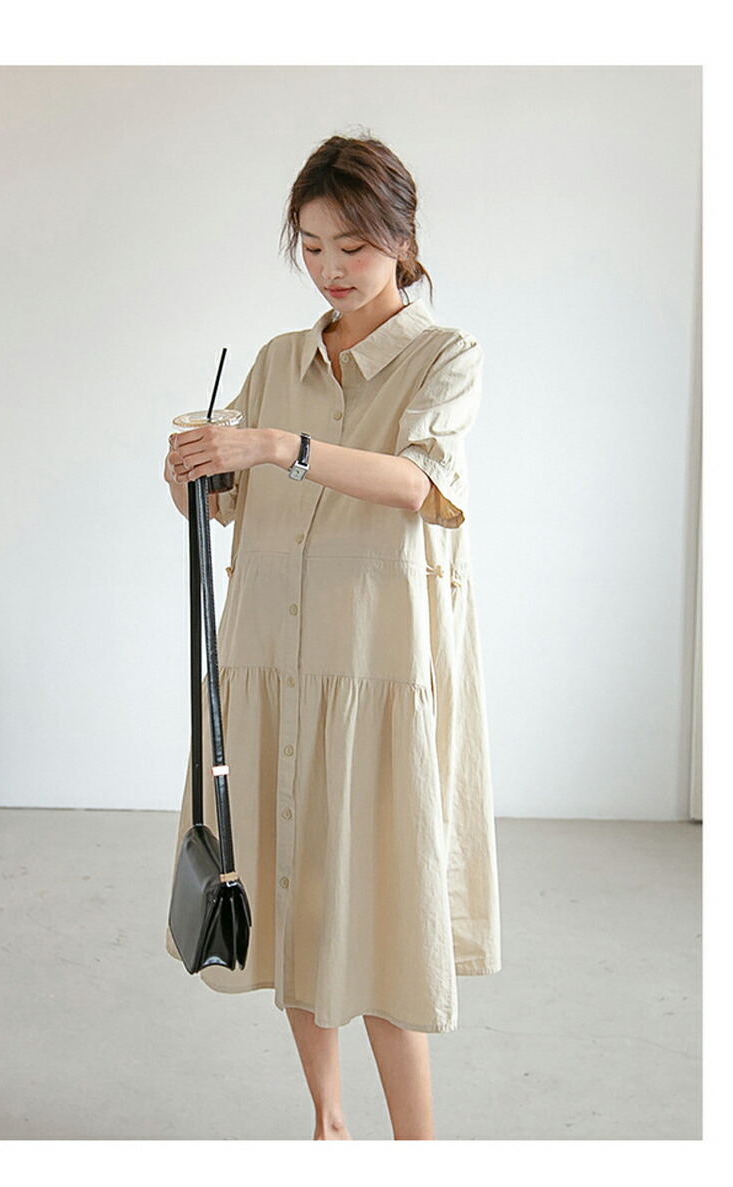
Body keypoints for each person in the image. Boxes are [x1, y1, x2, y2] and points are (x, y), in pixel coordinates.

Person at [162, 133, 502, 1141]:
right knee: (293, 896)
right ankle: (328, 1123)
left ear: (401, 237)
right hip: (271, 655)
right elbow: (224, 503)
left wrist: (279, 444)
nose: (330, 268)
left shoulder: (445, 355)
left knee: (386, 915)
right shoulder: (278, 358)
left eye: (351, 245)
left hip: (375, 663)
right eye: (310, 247)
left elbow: (420, 485)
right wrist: (192, 471)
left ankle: (418, 1147)